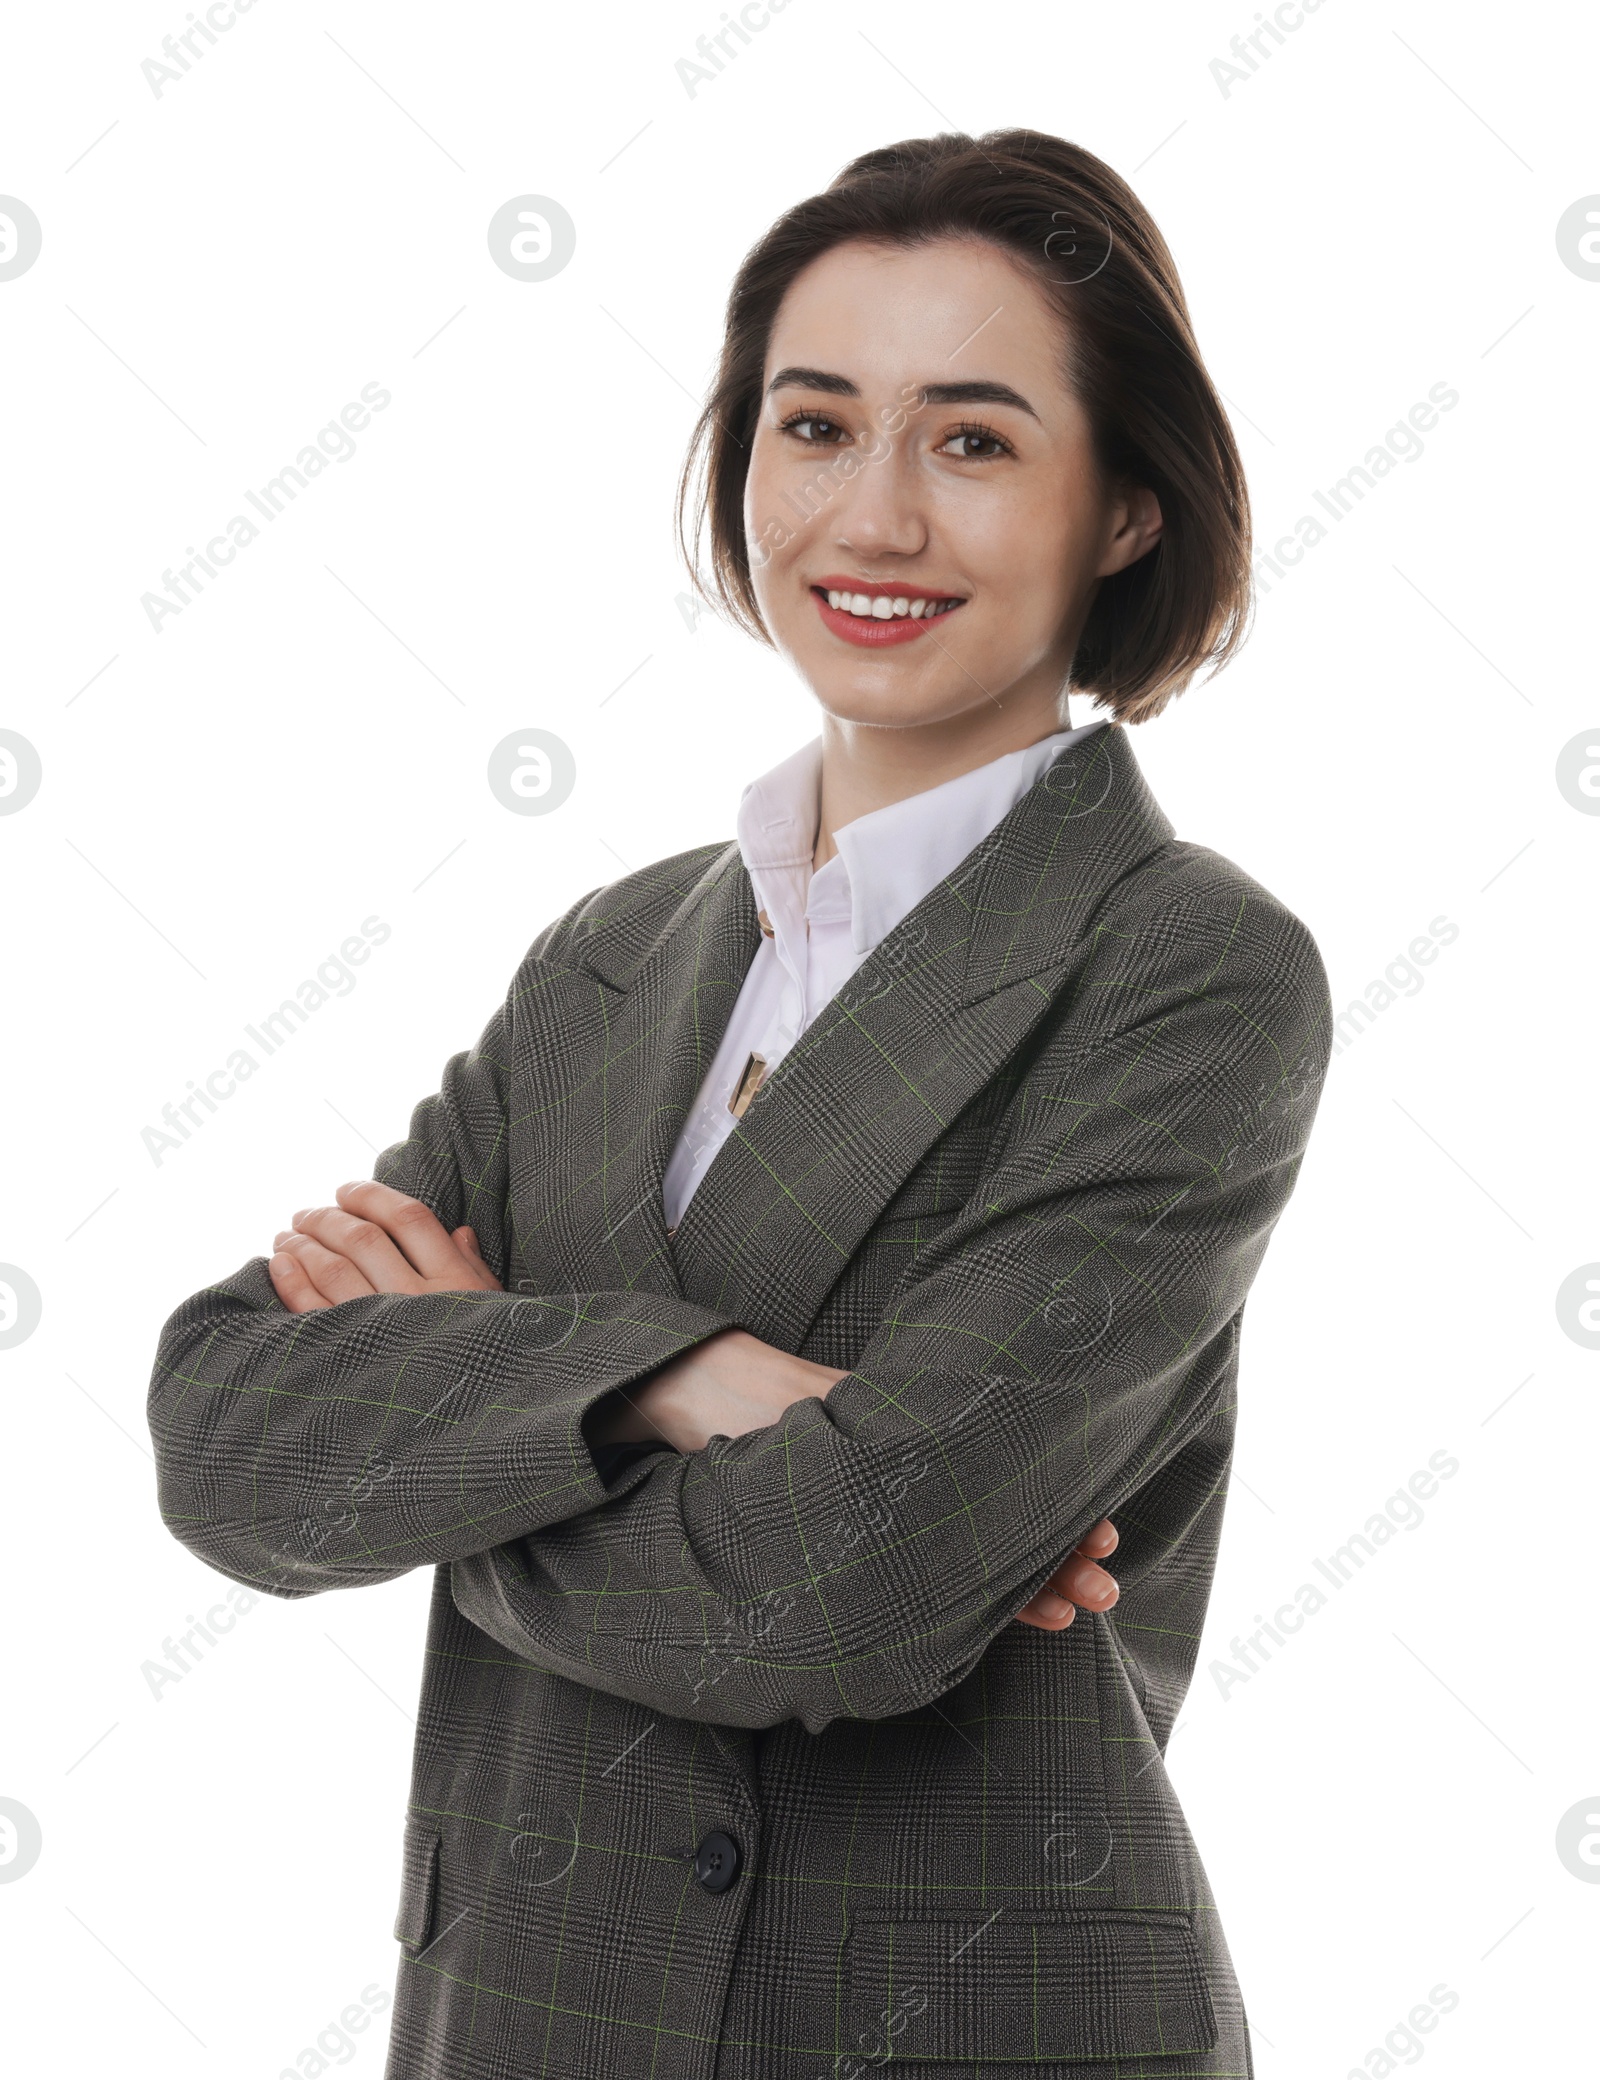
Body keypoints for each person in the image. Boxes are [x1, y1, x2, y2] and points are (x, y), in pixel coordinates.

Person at [148, 128, 1330, 2079]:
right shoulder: (606, 957)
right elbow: (227, 1434)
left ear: (1120, 506)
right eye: (810, 424)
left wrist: (467, 1400)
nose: (868, 517)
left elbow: (843, 1588)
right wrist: (666, 1377)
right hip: (527, 2014)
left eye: (968, 439)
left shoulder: (1182, 966)